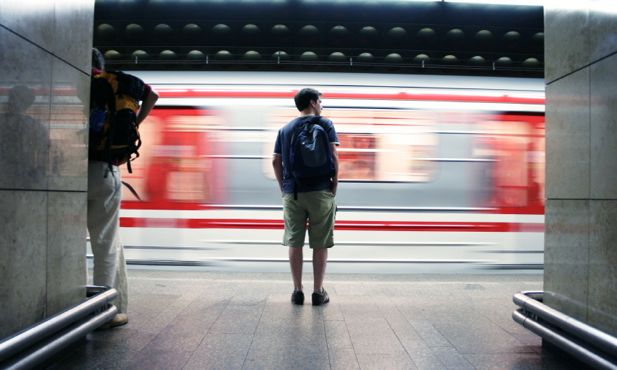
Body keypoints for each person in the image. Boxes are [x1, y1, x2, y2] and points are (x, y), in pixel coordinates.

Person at [87, 48, 158, 327]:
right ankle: (106, 310)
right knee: (106, 244)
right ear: (100, 65)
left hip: (66, 176)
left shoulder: (67, 78)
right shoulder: (114, 81)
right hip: (105, 171)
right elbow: (153, 95)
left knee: (66, 245)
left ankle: (66, 306)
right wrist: (137, 124)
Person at [272, 88, 339, 306]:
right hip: (320, 191)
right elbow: (335, 157)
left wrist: (285, 189)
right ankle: (318, 292)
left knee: (295, 241)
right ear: (312, 102)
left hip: (293, 193)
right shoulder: (326, 124)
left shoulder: (285, 129)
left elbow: (275, 161)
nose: (322, 105)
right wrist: (333, 187)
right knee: (319, 243)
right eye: (320, 101)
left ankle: (297, 291)